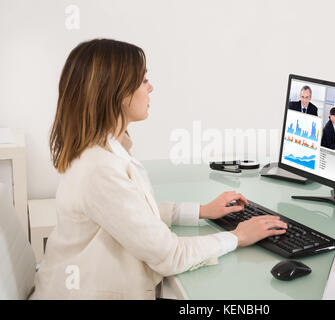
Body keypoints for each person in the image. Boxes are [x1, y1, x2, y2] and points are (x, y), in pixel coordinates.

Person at [30, 39, 288, 300]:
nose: (151, 87)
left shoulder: (104, 149)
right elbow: (170, 256)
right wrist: (238, 237)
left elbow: (134, 214)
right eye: (143, 80)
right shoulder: (100, 169)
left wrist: (201, 211)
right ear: (117, 94)